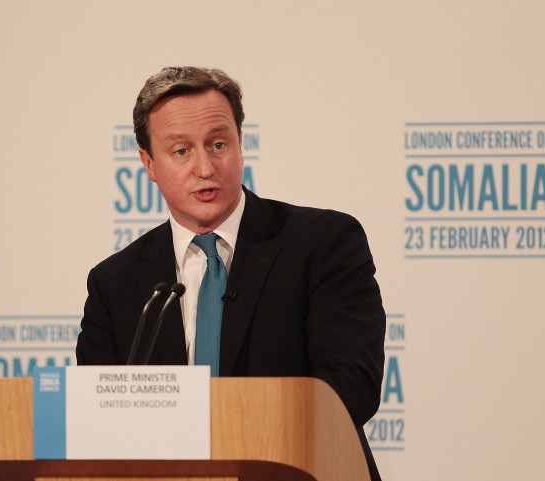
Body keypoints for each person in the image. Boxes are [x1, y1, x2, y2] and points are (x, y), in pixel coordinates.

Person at [76, 66, 386, 480]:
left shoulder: (322, 243)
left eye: (218, 143)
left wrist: (234, 435)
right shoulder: (114, 284)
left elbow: (351, 386)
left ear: (241, 143)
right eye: (181, 151)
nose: (205, 167)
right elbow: (97, 419)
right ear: (148, 163)